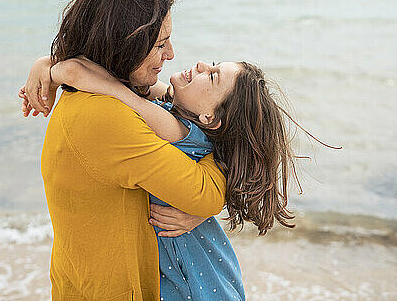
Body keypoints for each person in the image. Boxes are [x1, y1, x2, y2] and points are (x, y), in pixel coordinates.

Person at [21, 0, 228, 300]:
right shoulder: (106, 117)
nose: (171, 54)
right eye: (161, 44)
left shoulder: (97, 94)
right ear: (123, 45)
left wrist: (50, 64)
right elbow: (204, 193)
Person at [21, 56, 300, 300]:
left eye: (212, 76)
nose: (202, 65)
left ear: (209, 117)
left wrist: (60, 73)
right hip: (187, 264)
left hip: (193, 277)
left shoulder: (180, 131)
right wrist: (45, 65)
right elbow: (135, 82)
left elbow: (120, 91)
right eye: (213, 64)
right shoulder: (178, 116)